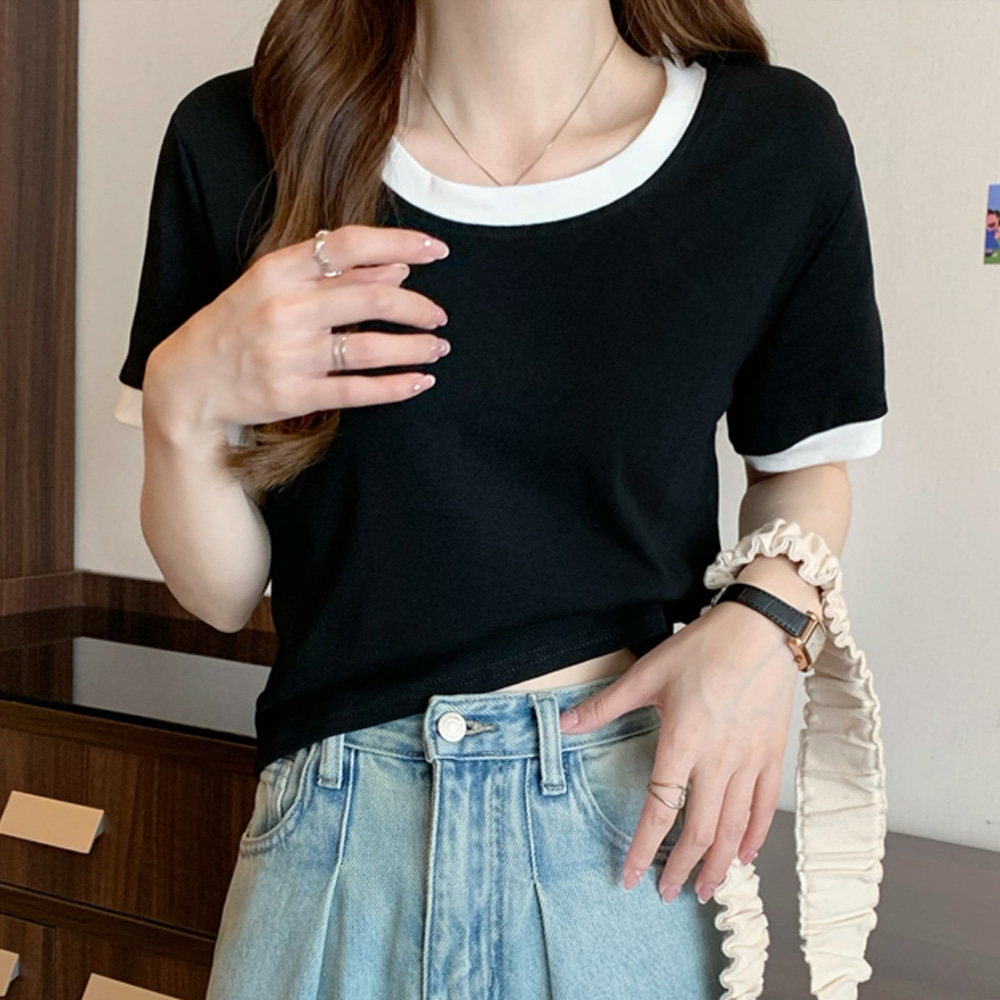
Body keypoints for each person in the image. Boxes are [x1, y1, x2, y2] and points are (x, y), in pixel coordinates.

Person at [113, 0, 889, 997]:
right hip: (335, 840)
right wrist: (178, 403)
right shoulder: (241, 138)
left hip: (623, 842)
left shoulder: (771, 145)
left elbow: (801, 466)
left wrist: (766, 624)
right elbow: (223, 593)